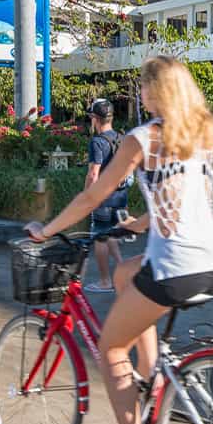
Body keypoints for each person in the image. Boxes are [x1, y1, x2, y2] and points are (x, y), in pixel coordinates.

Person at [28, 56, 213, 424]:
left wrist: (47, 229)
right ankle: (152, 371)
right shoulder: (202, 134)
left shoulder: (142, 139)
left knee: (108, 346)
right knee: (124, 274)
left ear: (156, 92)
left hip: (175, 267)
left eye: (143, 86)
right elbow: (186, 196)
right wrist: (138, 224)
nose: (139, 94)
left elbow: (91, 196)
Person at [83, 98, 130, 292]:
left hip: (103, 198)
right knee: (110, 234)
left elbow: (94, 173)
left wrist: (87, 197)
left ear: (95, 118)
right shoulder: (121, 137)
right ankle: (124, 274)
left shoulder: (97, 142)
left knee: (100, 238)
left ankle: (105, 282)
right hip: (120, 197)